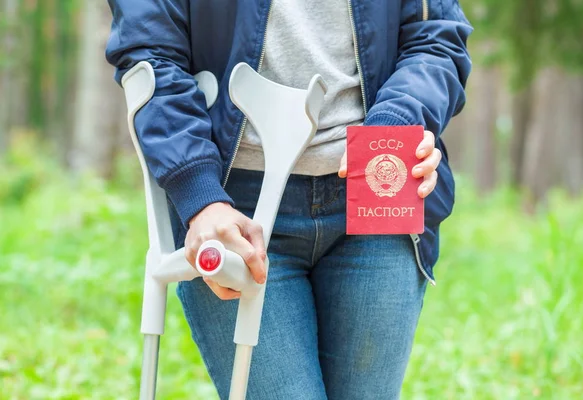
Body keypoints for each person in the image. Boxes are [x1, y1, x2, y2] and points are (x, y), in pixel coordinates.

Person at [106, 1, 472, 398]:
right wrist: (199, 193)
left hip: (377, 189)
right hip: (233, 204)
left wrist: (396, 123)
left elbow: (435, 38)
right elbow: (149, 52)